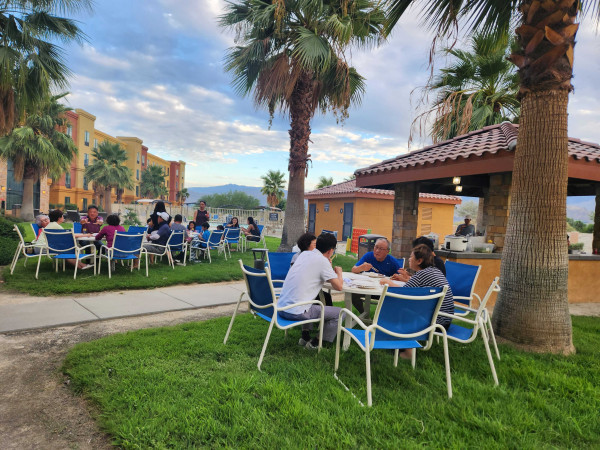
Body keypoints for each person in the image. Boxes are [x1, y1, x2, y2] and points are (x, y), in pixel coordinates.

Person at [381, 244, 454, 359]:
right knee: (405, 306)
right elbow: (413, 287)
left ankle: (407, 350)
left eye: (411, 257)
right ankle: (399, 341)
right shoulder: (434, 271)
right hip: (445, 319)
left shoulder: (422, 274)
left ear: (419, 261)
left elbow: (403, 293)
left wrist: (387, 282)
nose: (409, 259)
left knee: (400, 308)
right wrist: (406, 279)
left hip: (436, 321)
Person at [278, 233, 344, 349]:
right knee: (340, 313)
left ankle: (305, 337)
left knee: (308, 301)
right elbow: (339, 287)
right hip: (295, 312)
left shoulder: (304, 254)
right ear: (330, 251)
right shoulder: (323, 261)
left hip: (281, 307)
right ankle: (315, 343)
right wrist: (339, 273)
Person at [350, 238, 402, 315]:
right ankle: (363, 314)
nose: (377, 251)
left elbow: (401, 277)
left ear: (387, 251)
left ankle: (382, 317)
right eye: (376, 247)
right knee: (353, 294)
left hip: (382, 292)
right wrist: (361, 268)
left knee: (393, 298)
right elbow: (353, 270)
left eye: (381, 249)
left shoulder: (392, 262)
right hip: (366, 288)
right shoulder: (368, 256)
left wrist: (397, 277)